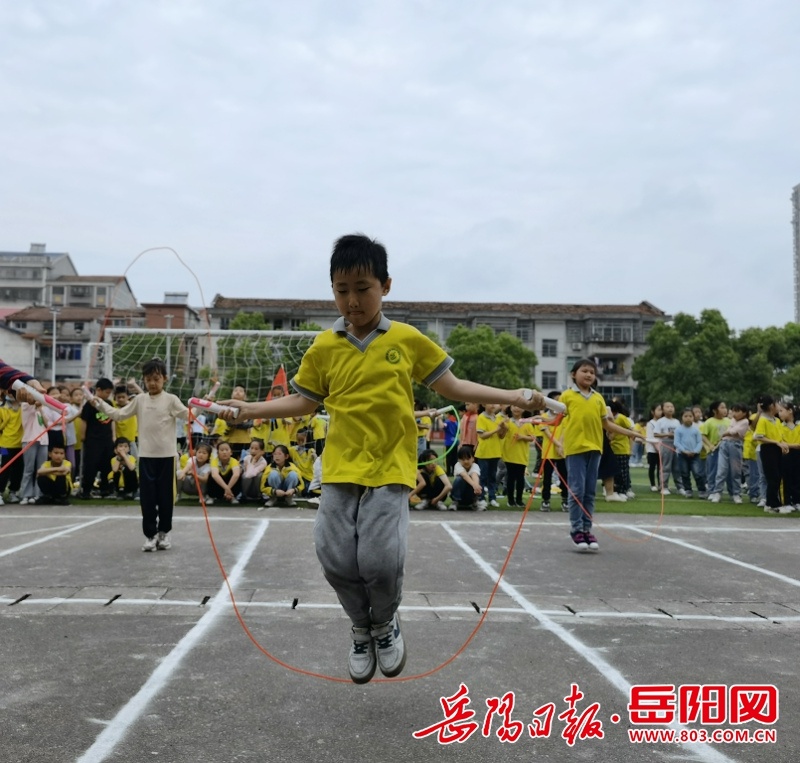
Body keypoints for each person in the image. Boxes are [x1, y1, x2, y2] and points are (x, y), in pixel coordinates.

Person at [217, 233, 544, 684]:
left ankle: (385, 623)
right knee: (334, 557)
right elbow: (302, 402)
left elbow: (454, 387)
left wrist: (515, 396)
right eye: (342, 290)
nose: (352, 301)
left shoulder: (407, 340)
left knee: (378, 560)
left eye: (362, 288)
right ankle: (361, 627)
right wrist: (249, 410)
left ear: (386, 285)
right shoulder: (324, 347)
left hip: (391, 466)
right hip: (340, 467)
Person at [89, 358, 189, 551]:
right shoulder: (140, 400)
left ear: (164, 379)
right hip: (146, 458)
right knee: (148, 499)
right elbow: (118, 414)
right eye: (148, 379)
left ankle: (164, 533)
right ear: (143, 380)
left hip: (167, 457)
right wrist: (100, 404)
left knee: (166, 498)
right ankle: (150, 535)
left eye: (156, 379)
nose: (152, 383)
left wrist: (204, 405)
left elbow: (188, 415)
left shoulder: (171, 399)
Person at [560, 358, 644, 551]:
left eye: (592, 371)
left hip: (595, 449)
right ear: (574, 374)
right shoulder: (567, 396)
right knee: (577, 490)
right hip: (575, 449)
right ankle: (576, 529)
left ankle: (587, 529)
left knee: (589, 491)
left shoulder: (598, 398)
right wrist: (560, 442)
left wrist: (630, 432)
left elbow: (606, 424)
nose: (589, 374)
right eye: (584, 371)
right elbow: (558, 420)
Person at [78, 378, 116, 499]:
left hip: (107, 439)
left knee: (107, 465)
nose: (108, 395)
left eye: (109, 393)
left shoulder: (109, 404)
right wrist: (83, 436)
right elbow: (84, 421)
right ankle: (86, 490)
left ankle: (104, 488)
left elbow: (112, 420)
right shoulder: (89, 405)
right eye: (106, 392)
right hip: (93, 440)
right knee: (91, 465)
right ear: (98, 390)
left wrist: (114, 436)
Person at [753, 395, 788, 513]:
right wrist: (777, 443)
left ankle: (773, 503)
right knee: (772, 477)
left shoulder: (777, 420)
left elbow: (779, 436)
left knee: (777, 476)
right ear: (771, 406)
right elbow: (758, 436)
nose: (778, 406)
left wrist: (783, 444)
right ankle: (771, 504)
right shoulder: (763, 420)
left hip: (777, 450)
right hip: (768, 450)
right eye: (777, 404)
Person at [708, 403, 749, 504]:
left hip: (735, 445)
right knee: (721, 470)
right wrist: (726, 433)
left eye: (737, 411)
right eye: (733, 411)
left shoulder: (745, 421)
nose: (734, 414)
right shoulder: (733, 420)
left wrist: (726, 433)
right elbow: (727, 433)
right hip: (725, 444)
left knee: (735, 471)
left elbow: (732, 432)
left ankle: (736, 494)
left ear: (744, 413)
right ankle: (717, 492)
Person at [475, 403, 507, 507]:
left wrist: (504, 429)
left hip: (495, 452)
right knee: (482, 477)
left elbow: (501, 436)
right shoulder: (481, 417)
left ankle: (492, 498)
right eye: (490, 403)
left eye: (495, 403)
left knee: (492, 477)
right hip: (484, 453)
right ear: (484, 404)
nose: (493, 405)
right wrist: (497, 429)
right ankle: (481, 498)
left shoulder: (497, 418)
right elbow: (482, 435)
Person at [502, 405, 535, 507]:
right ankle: (510, 500)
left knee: (520, 477)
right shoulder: (508, 421)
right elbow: (502, 434)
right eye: (514, 406)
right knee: (510, 477)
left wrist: (522, 437)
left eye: (519, 406)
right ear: (510, 408)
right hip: (509, 454)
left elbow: (532, 438)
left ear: (524, 408)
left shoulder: (527, 423)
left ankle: (519, 500)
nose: (517, 409)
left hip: (522, 455)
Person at [540, 392, 567, 512]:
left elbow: (565, 431)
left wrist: (560, 445)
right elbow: (546, 432)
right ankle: (545, 501)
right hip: (548, 453)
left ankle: (565, 500)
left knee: (564, 477)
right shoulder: (543, 416)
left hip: (562, 453)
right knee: (547, 478)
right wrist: (557, 444)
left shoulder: (565, 417)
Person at [674, 408, 707, 498]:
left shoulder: (696, 430)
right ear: (681, 418)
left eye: (690, 416)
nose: (688, 418)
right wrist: (684, 450)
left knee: (698, 473)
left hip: (695, 455)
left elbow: (699, 442)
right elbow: (676, 442)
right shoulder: (678, 430)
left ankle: (702, 490)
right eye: (685, 416)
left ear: (693, 417)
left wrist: (695, 451)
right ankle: (688, 490)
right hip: (682, 455)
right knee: (684, 473)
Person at [260, 444, 304, 508]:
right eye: (275, 454)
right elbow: (262, 487)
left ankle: (288, 499)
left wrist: (294, 490)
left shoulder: (292, 467)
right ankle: (273, 499)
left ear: (286, 456)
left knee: (293, 474)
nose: (276, 456)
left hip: (288, 491)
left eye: (279, 454)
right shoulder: (269, 468)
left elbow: (301, 484)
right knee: (273, 474)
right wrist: (274, 491)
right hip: (275, 491)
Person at [0, 392, 23, 504]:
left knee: (18, 469)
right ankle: (0, 492)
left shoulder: (23, 408)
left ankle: (13, 492)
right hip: (4, 445)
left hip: (21, 444)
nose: (12, 395)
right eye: (9, 393)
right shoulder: (2, 409)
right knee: (4, 468)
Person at [653, 401, 680, 495]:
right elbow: (656, 434)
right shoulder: (660, 421)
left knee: (677, 467)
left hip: (676, 445)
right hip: (665, 444)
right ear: (663, 409)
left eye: (672, 406)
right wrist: (668, 434)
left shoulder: (677, 421)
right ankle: (663, 486)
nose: (670, 408)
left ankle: (680, 487)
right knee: (665, 466)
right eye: (667, 407)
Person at [779, 402, 800, 511]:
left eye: (781, 411)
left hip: (797, 455)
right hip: (785, 455)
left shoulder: (798, 427)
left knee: (797, 478)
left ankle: (797, 501)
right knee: (785, 478)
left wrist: (789, 445)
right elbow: (780, 442)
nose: (780, 414)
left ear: (790, 411)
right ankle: (786, 502)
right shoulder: (780, 427)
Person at [450, 445, 484, 510]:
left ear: (473, 458)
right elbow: (464, 476)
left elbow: (475, 475)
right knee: (459, 479)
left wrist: (476, 487)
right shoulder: (458, 465)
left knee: (478, 481)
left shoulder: (475, 466)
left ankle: (475, 501)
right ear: (459, 460)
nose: (466, 461)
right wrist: (475, 485)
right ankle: (455, 501)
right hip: (460, 494)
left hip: (470, 495)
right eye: (463, 459)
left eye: (468, 459)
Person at [207, 441, 242, 505]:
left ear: (231, 452)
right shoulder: (214, 461)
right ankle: (211, 496)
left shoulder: (234, 461)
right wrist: (227, 489)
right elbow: (215, 475)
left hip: (230, 487)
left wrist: (227, 489)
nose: (224, 452)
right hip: (219, 487)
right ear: (218, 453)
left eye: (227, 450)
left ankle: (233, 497)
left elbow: (236, 474)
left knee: (236, 475)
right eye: (222, 450)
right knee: (211, 475)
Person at [239, 438, 268, 503]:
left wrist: (254, 460)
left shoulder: (263, 462)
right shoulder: (246, 458)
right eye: (251, 448)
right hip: (247, 486)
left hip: (256, 488)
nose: (253, 451)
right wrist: (253, 461)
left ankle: (259, 496)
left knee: (259, 475)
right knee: (244, 475)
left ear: (262, 451)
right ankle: (244, 496)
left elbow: (251, 474)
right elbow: (247, 476)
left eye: (256, 449)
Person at [645, 404, 662, 493]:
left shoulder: (661, 422)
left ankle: (661, 484)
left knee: (661, 468)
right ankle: (653, 484)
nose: (660, 412)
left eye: (661, 410)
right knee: (652, 467)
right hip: (652, 450)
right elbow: (650, 437)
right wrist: (657, 448)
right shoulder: (650, 423)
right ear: (653, 412)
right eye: (658, 410)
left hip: (661, 449)